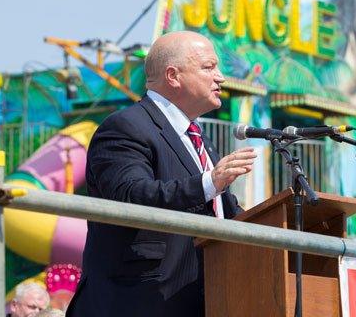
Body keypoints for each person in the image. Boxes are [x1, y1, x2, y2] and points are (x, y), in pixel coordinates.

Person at [66, 31, 257, 316]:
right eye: (209, 67)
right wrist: (210, 182)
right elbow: (131, 195)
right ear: (173, 76)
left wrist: (277, 226)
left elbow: (218, 210)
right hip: (138, 302)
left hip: (201, 298)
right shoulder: (125, 128)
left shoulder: (200, 139)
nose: (221, 77)